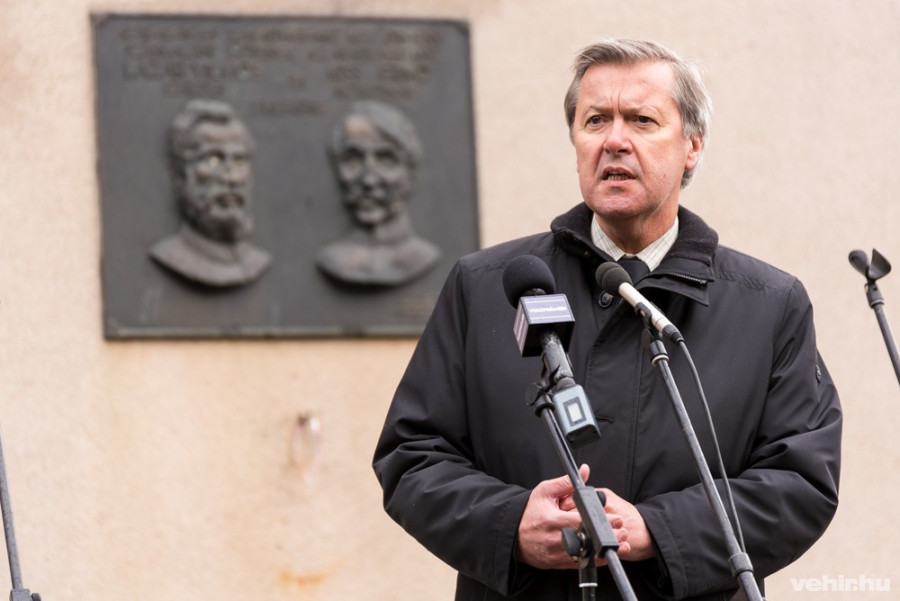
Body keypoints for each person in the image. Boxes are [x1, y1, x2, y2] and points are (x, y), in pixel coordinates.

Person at [372, 39, 841, 601]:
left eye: (642, 120)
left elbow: (800, 483)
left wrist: (658, 531)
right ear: (575, 141)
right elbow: (412, 456)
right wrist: (510, 525)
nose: (614, 140)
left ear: (692, 146)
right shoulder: (483, 286)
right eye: (595, 120)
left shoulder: (769, 305)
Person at [316, 100, 441, 287]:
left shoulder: (424, 257)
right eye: (353, 160)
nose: (368, 180)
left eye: (385, 160)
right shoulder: (331, 260)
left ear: (411, 174)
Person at [150, 99, 271, 288]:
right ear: (179, 174)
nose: (232, 178)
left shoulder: (258, 261)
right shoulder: (170, 256)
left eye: (239, 161)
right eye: (213, 160)